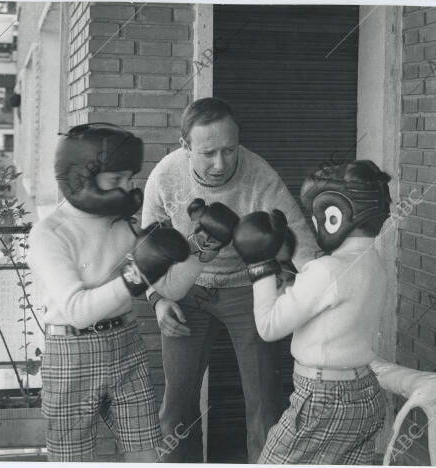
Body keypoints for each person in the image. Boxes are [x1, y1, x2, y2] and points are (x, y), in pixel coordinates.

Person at [141, 97, 319, 463]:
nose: (221, 163)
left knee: (265, 402)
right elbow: (148, 247)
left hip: (247, 289)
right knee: (177, 404)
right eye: (208, 153)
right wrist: (158, 300)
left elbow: (300, 240)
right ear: (185, 147)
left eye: (229, 149)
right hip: (188, 290)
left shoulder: (259, 174)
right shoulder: (164, 176)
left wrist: (328, 285)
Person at [27, 123, 193, 462]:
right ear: (83, 177)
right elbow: (77, 308)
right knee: (73, 460)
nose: (128, 188)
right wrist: (135, 277)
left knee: (148, 455)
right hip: (71, 351)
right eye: (116, 180)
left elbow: (170, 288)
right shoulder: (49, 233)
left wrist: (203, 250)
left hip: (126, 345)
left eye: (129, 179)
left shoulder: (126, 225)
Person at [232, 159, 391, 464]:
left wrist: (260, 263)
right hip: (365, 393)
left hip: (323, 397)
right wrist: (284, 265)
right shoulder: (374, 265)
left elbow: (268, 326)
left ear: (335, 213)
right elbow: (320, 305)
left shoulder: (327, 270)